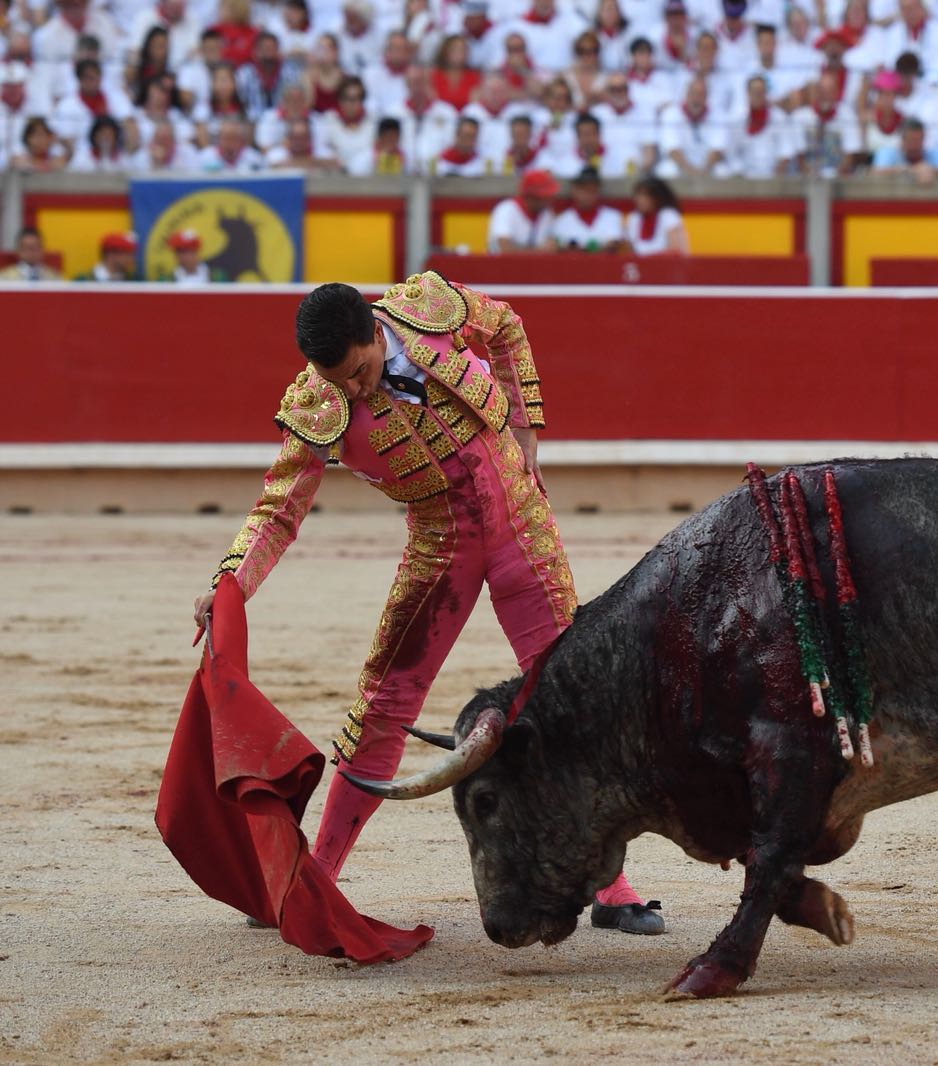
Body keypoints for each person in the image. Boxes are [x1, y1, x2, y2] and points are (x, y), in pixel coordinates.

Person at [191, 274, 665, 935]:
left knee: (569, 698)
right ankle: (315, 878)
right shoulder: (316, 403)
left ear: (373, 333)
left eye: (359, 371)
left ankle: (612, 887)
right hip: (442, 547)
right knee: (382, 706)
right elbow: (279, 506)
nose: (354, 390)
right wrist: (231, 582)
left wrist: (528, 425)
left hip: (522, 525)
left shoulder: (426, 308)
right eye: (339, 381)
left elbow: (506, 325)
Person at [545, 167, 625, 252]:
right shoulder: (561, 221)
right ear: (574, 190)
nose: (588, 194)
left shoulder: (614, 217)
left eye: (593, 189)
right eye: (584, 189)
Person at [487, 168, 559, 252]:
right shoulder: (506, 210)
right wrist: (539, 251)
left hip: (535, 264)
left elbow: (550, 246)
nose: (549, 200)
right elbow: (505, 249)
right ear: (530, 197)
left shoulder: (546, 213)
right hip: (500, 264)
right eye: (544, 197)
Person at [625, 177, 688, 256]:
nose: (640, 199)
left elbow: (676, 250)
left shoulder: (669, 215)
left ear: (657, 198)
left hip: (667, 266)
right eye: (638, 195)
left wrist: (647, 259)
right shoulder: (634, 218)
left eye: (646, 195)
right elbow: (627, 250)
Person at [76, 231, 141, 281]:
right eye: (127, 254)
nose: (132, 258)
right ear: (111, 255)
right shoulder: (84, 281)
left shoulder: (135, 280)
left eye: (132, 254)